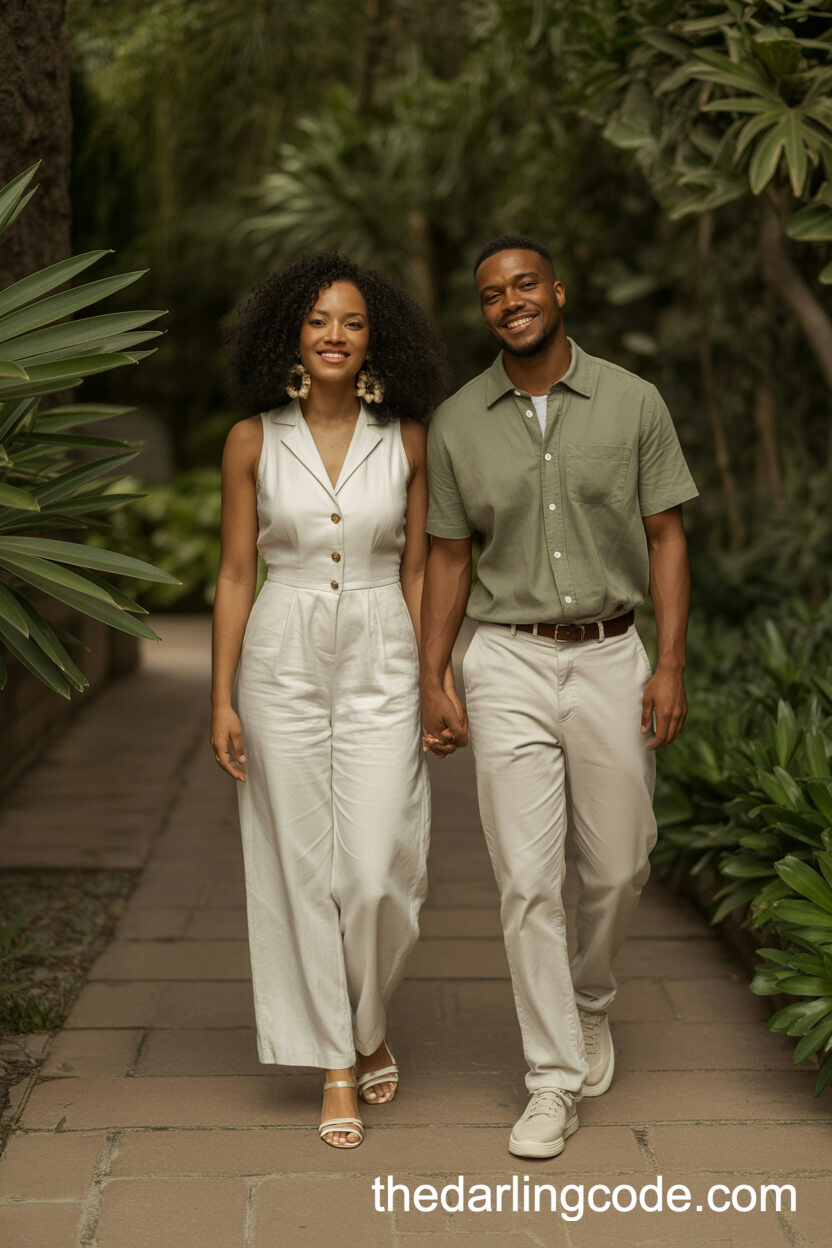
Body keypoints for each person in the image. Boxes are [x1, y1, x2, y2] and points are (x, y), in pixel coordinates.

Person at [420, 235, 698, 1159]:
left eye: (525, 284)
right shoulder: (458, 421)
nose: (511, 302)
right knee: (527, 880)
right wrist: (434, 674)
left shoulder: (633, 401)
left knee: (619, 867)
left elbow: (666, 535)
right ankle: (550, 1078)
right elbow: (449, 558)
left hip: (613, 655)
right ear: (484, 311)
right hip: (506, 660)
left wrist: (670, 663)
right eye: (492, 294)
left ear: (558, 292)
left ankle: (590, 997)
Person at [211, 252, 456, 1150]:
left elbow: (422, 568)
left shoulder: (410, 440)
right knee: (299, 865)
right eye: (318, 320)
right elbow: (235, 574)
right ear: (292, 334)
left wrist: (435, 677)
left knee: (377, 869)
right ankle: (337, 1063)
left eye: (351, 321)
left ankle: (366, 1017)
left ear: (373, 338)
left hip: (383, 649)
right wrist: (221, 697)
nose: (334, 335)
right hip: (281, 652)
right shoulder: (250, 441)